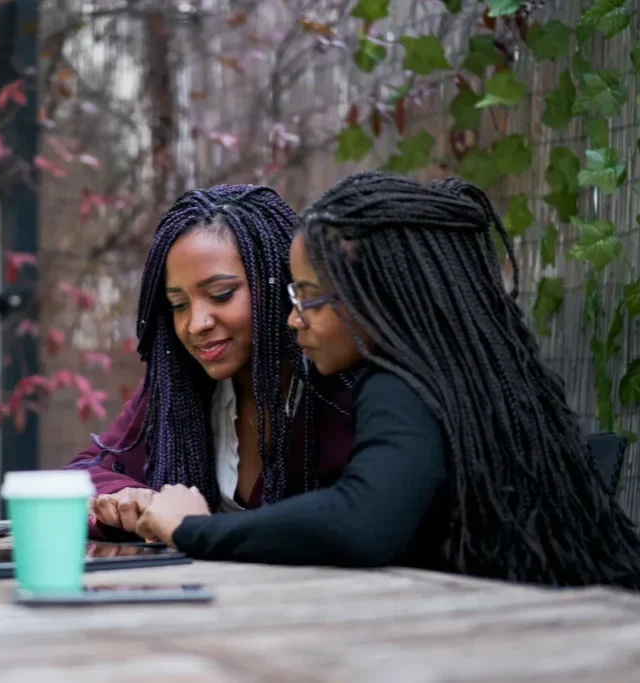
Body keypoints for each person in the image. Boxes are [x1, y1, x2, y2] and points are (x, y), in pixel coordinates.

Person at [135, 172, 640, 589]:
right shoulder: (471, 370)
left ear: (376, 296)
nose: (293, 319)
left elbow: (362, 520)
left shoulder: (399, 385)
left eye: (309, 297)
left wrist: (192, 529)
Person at [64, 184, 354, 541]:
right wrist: (124, 497)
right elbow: (80, 476)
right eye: (178, 304)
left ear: (279, 285)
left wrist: (196, 529)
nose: (196, 323)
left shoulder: (341, 387)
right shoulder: (182, 387)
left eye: (221, 295)